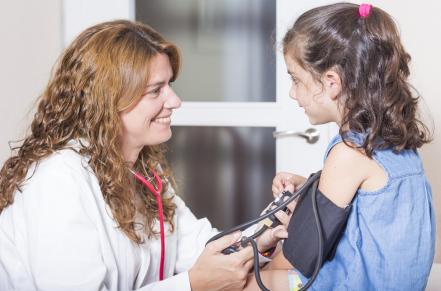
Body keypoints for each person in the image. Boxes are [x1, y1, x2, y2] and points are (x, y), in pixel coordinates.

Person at [0, 20, 285, 291]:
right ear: (108, 100)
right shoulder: (58, 179)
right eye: (155, 90)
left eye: (169, 85)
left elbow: (198, 247)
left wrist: (260, 240)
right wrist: (191, 285)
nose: (174, 101)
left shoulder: (142, 170)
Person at [243, 3, 435, 291]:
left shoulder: (348, 153)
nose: (292, 93)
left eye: (296, 79)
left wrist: (258, 262)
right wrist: (310, 187)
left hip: (350, 284)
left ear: (332, 82)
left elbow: (299, 257)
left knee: (246, 282)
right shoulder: (390, 141)